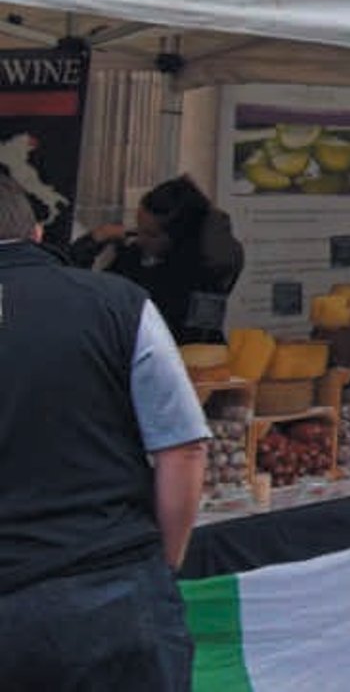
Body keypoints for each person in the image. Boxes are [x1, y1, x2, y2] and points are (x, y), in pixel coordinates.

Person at [0, 174, 209, 688]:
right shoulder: (120, 303)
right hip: (114, 584)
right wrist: (163, 565)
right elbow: (183, 448)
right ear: (36, 234)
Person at [72, 175, 245, 345]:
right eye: (139, 228)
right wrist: (93, 241)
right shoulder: (133, 257)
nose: (140, 239)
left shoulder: (206, 275)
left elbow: (199, 337)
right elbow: (85, 291)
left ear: (179, 237)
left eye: (151, 234)